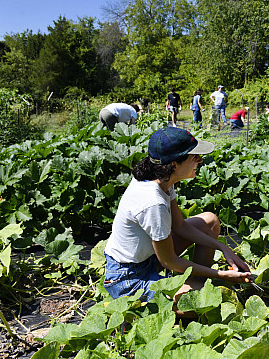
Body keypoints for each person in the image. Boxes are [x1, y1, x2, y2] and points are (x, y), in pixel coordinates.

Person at [103, 127, 252, 303]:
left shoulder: (161, 178)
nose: (200, 160)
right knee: (203, 300)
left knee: (210, 221)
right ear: (174, 165)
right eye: (194, 157)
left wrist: (223, 248)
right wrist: (221, 274)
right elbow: (169, 261)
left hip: (149, 260)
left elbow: (180, 226)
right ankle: (191, 289)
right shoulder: (152, 201)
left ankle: (194, 283)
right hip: (127, 277)